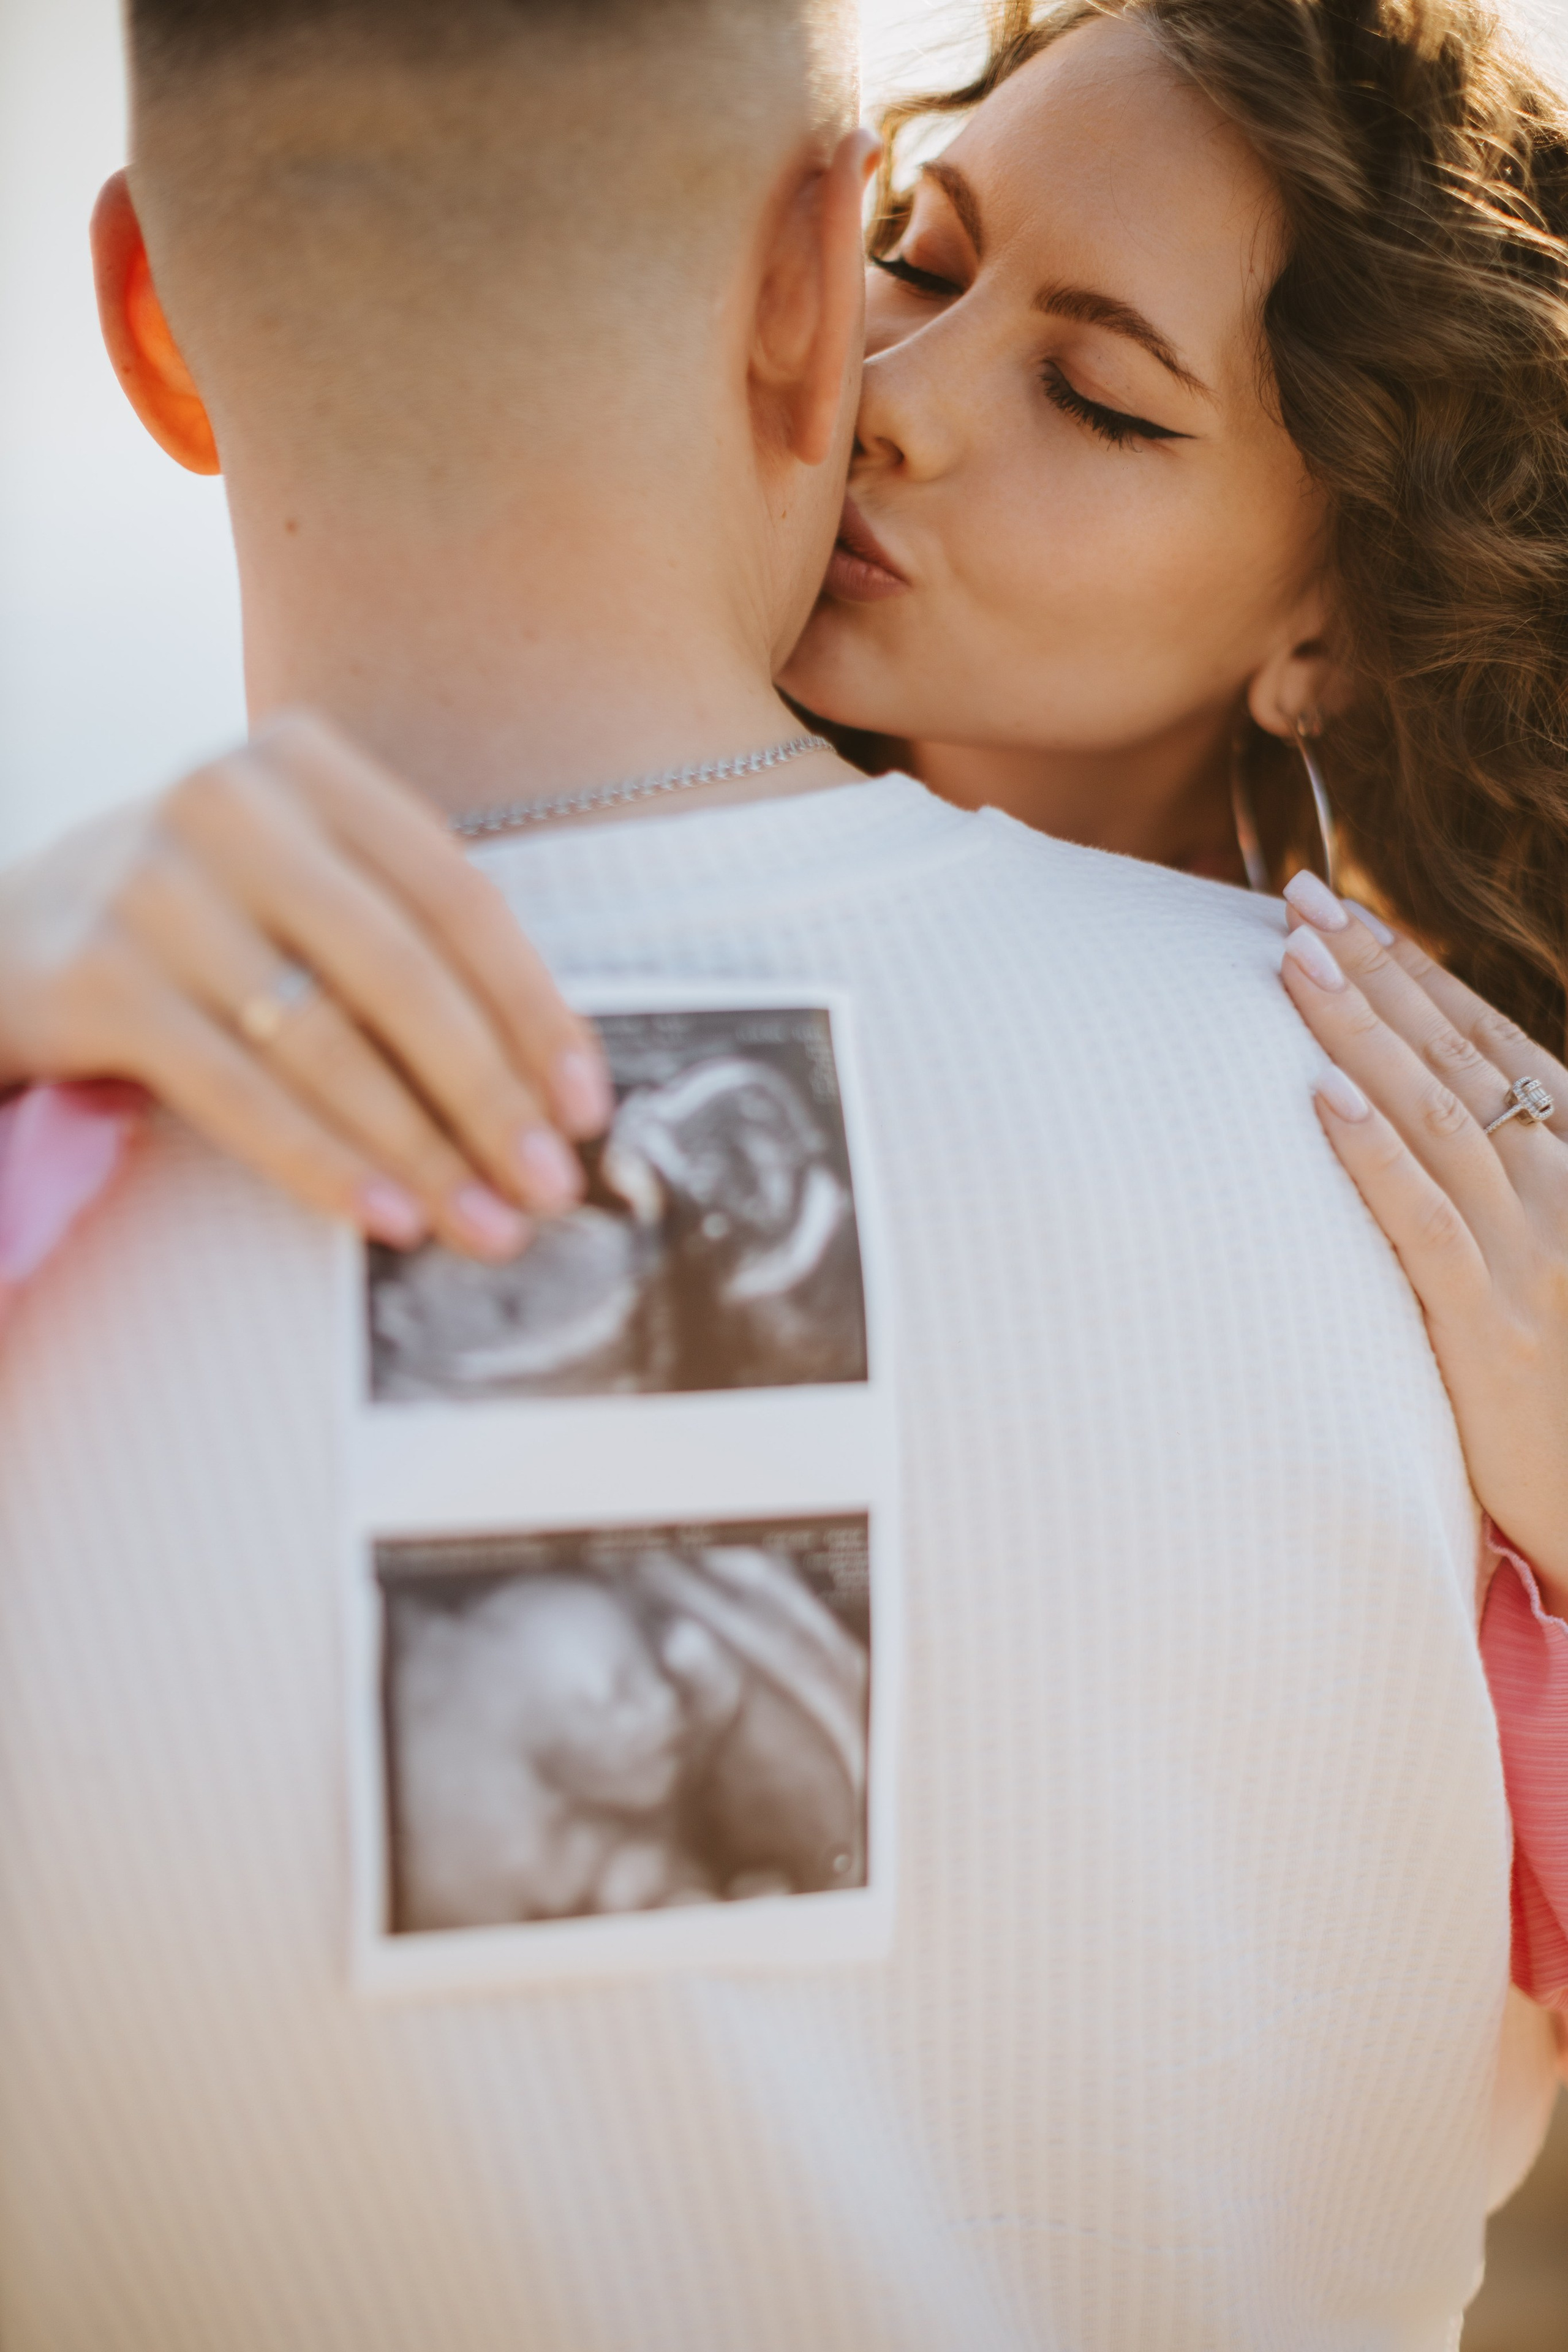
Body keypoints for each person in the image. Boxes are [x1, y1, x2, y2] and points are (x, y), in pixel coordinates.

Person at [0, 3, 1550, 2346]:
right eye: (926, 268)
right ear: (820, 275)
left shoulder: (1468, 1210)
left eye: (1102, 399)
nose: (905, 400)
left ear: (1325, 621)